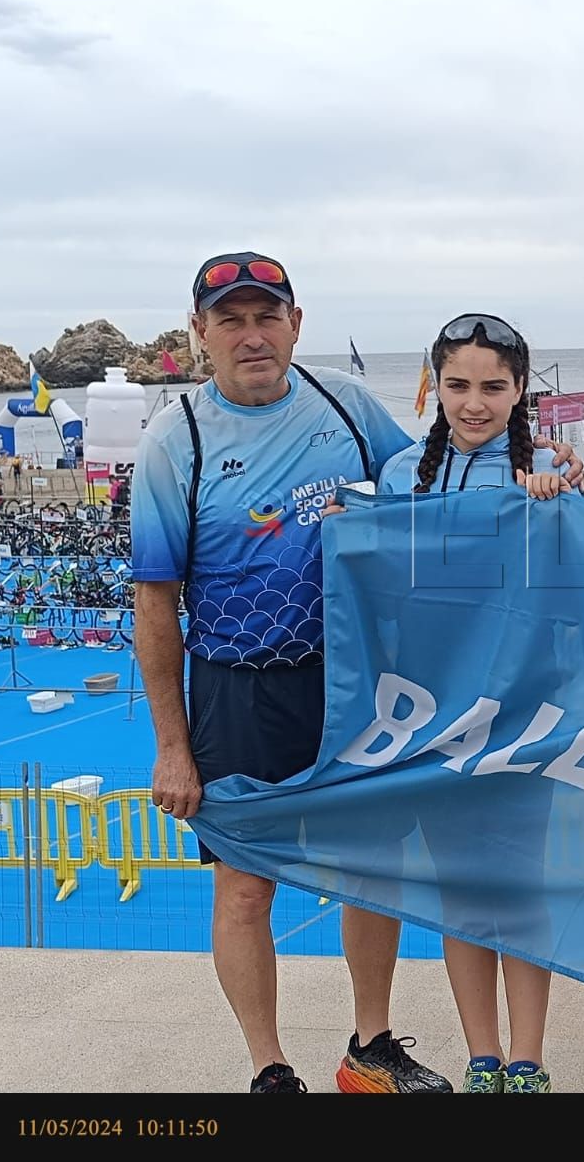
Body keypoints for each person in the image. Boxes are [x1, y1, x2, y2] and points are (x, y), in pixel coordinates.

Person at [130, 252, 451, 1094]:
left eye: (266, 315)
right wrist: (172, 744)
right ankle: (270, 1067)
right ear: (200, 334)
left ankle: (370, 1048)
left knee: (371, 869)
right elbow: (155, 602)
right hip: (236, 686)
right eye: (230, 319)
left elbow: (434, 487)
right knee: (244, 890)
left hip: (348, 679)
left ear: (296, 322)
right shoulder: (176, 439)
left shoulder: (347, 408)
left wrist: (530, 471)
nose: (252, 334)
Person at [375, 314, 567, 1094]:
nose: (474, 402)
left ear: (521, 389)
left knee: (519, 886)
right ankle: (481, 1054)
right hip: (431, 712)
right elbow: (375, 582)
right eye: (458, 384)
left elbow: (580, 582)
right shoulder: (398, 476)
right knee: (461, 892)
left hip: (523, 710)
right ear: (435, 385)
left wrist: (560, 504)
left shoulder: (546, 467)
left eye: (493, 385)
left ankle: (528, 1055)